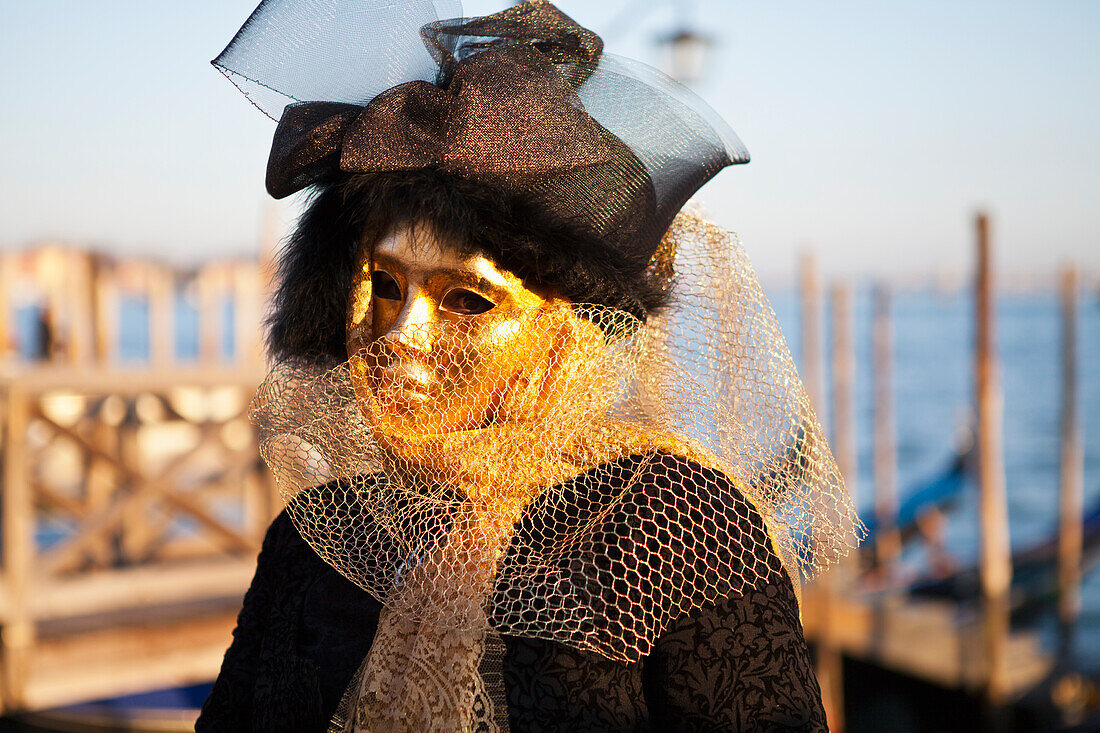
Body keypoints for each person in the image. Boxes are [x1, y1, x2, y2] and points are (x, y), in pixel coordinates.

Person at [197, 2, 861, 731]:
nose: (402, 333)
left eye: (468, 299)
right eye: (385, 285)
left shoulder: (670, 523)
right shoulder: (320, 530)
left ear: (566, 331)